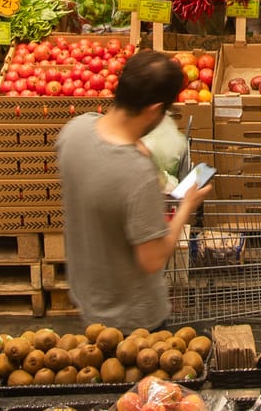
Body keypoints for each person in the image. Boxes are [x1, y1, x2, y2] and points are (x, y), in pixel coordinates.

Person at [56, 51, 215, 330]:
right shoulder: (136, 174)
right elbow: (153, 258)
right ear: (154, 109)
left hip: (89, 299)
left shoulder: (74, 130)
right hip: (133, 318)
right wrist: (187, 206)